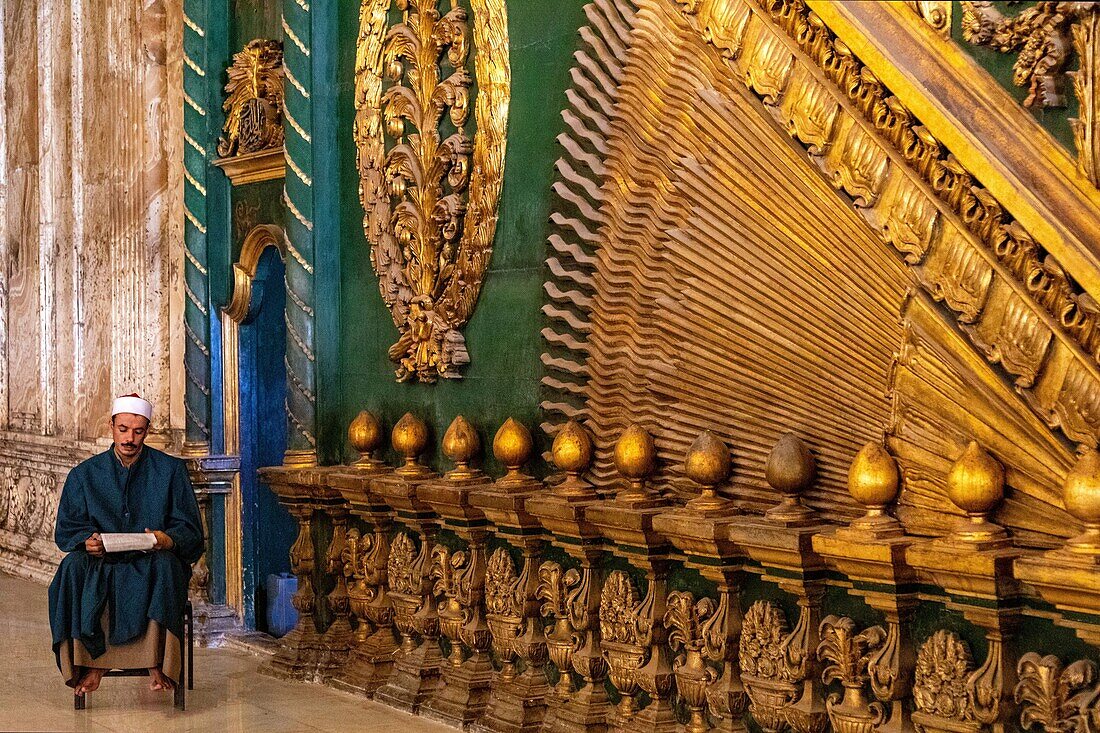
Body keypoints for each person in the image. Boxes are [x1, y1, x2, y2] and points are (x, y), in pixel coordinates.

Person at [48, 394, 204, 695]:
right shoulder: (84, 475)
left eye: (138, 431)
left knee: (167, 566)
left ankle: (158, 664)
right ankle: (90, 666)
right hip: (100, 562)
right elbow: (68, 529)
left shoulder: (170, 471)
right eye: (123, 429)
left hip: (150, 560)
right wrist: (87, 541)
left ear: (147, 430)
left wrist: (166, 539)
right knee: (71, 568)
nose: (129, 438)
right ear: (111, 426)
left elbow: (191, 532)